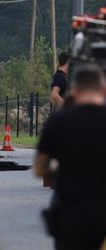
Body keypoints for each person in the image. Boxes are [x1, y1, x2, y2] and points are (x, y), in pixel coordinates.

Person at [34, 63, 106, 250]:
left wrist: (58, 167)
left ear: (74, 90)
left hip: (70, 214)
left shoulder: (58, 121)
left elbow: (40, 168)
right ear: (103, 89)